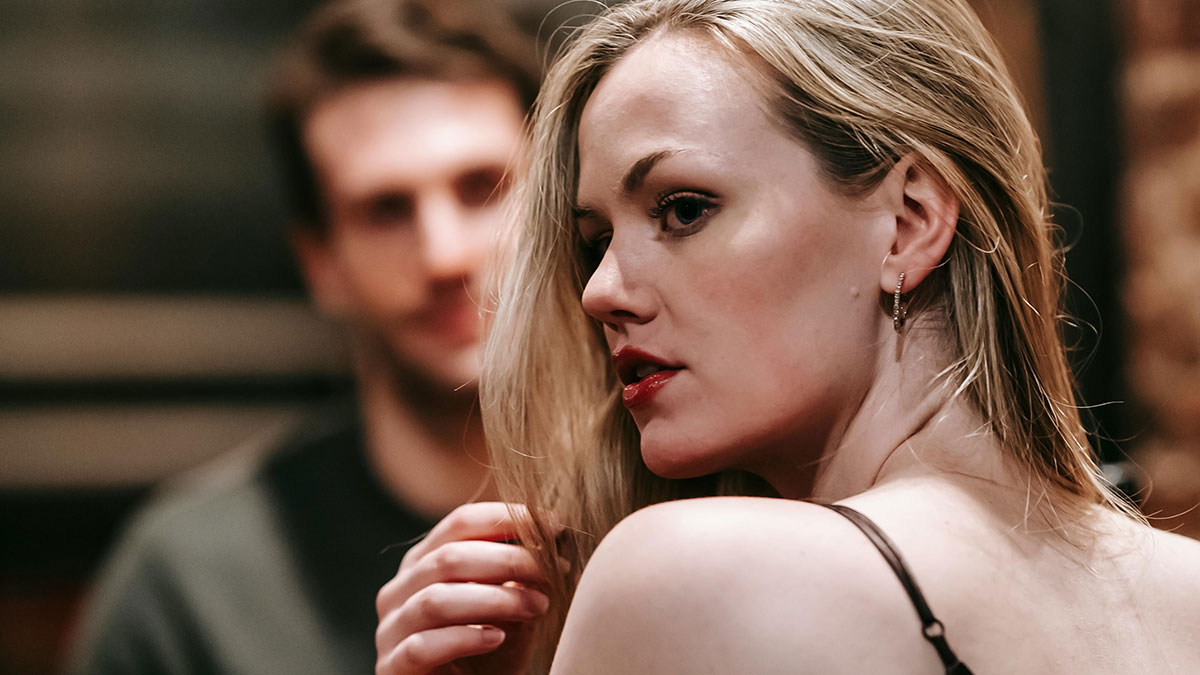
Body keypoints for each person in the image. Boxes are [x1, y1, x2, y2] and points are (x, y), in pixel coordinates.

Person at [375, 0, 1200, 673]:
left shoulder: (687, 575)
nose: (600, 292)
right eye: (596, 241)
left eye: (683, 209)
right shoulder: (1184, 593)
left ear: (910, 221)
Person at [67, 1, 539, 673]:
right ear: (321, 264)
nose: (444, 255)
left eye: (482, 187)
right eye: (385, 209)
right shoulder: (192, 582)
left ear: (554, 202)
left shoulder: (664, 505)